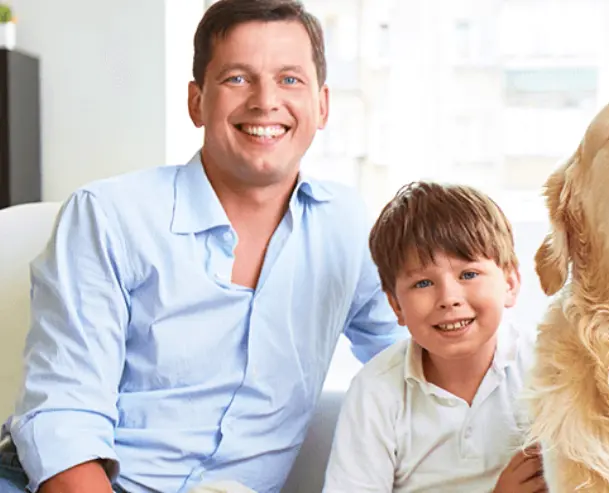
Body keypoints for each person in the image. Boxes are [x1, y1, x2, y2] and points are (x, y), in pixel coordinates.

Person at [0, 1, 406, 492]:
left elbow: (417, 357)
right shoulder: (109, 215)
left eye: (289, 79)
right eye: (237, 78)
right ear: (197, 101)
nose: (265, 101)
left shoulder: (345, 225)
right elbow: (65, 423)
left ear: (322, 105)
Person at [321, 181, 545, 493]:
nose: (449, 298)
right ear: (396, 305)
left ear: (509, 284)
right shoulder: (376, 391)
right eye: (423, 283)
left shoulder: (549, 369)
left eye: (468, 275)